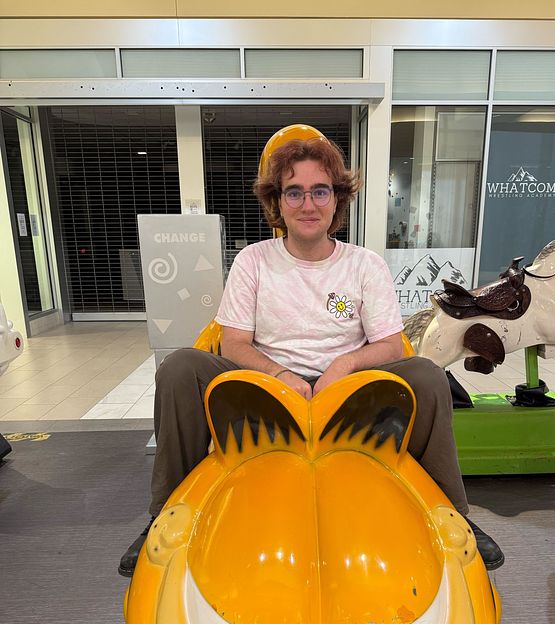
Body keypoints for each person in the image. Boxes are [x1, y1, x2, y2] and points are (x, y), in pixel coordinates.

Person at [118, 137, 504, 578]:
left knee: (427, 374)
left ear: (337, 199)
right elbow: (234, 343)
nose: (308, 204)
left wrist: (344, 365)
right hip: (266, 389)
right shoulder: (253, 260)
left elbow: (390, 345)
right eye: (294, 192)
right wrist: (280, 373)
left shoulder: (364, 264)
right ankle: (165, 514)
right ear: (277, 202)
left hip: (348, 391)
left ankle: (451, 513)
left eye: (320, 191)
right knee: (179, 368)